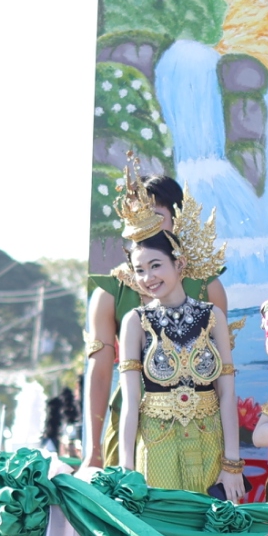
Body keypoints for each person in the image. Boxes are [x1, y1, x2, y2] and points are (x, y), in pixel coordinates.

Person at [82, 154, 229, 470]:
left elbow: (221, 375)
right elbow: (100, 374)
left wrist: (230, 457)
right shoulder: (109, 294)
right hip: (132, 429)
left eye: (157, 216)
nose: (146, 226)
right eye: (139, 216)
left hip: (200, 430)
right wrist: (92, 454)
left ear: (178, 220)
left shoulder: (208, 288)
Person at [115, 226, 246, 498]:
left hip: (210, 440)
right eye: (139, 270)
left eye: (155, 265)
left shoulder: (213, 317)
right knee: (161, 518)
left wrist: (232, 464)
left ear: (179, 263)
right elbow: (130, 400)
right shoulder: (135, 322)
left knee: (212, 518)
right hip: (157, 443)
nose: (148, 277)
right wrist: (126, 468)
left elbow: (227, 393)